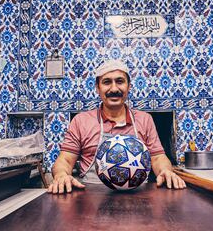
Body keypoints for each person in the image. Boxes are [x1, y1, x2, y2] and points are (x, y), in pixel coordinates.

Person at [48, 60, 186, 194]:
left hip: (139, 196)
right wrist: (61, 175)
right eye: (107, 82)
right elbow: (65, 160)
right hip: (91, 198)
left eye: (119, 81)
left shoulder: (145, 119)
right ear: (97, 87)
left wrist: (166, 171)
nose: (114, 89)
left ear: (129, 86)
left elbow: (157, 158)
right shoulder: (81, 121)